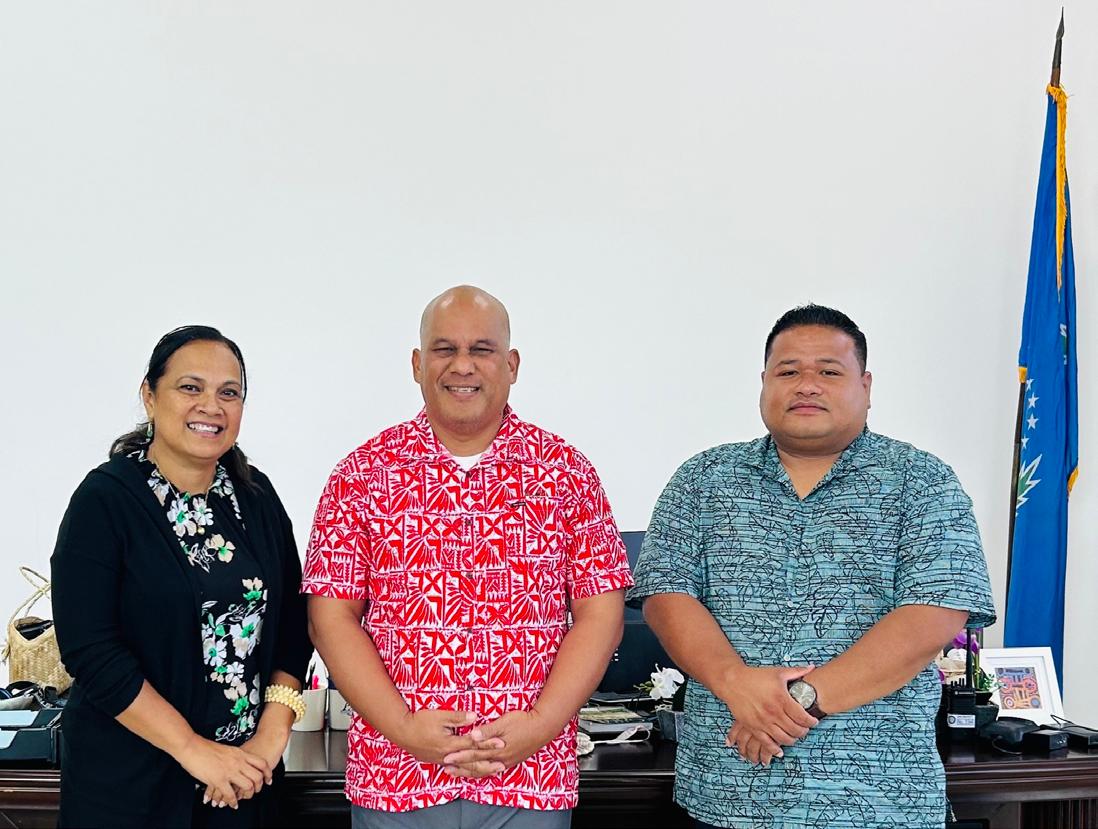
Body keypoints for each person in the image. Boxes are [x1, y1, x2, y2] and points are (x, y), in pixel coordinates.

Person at [629, 305, 996, 829]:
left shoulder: (922, 481)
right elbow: (666, 596)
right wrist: (736, 683)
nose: (807, 385)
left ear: (866, 386)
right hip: (725, 791)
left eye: (829, 371)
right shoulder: (703, 479)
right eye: (788, 371)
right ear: (763, 383)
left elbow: (934, 615)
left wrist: (793, 703)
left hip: (879, 796)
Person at [304, 285, 633, 829]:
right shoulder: (361, 475)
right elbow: (330, 618)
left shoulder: (566, 473)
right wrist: (404, 727)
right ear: (417, 364)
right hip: (395, 776)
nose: (462, 366)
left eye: (481, 349)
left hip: (529, 778)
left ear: (512, 364)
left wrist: (541, 723)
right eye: (444, 349)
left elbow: (601, 615)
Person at [51, 325, 312, 828]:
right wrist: (194, 750)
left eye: (229, 393)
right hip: (128, 791)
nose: (211, 406)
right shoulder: (104, 501)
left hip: (244, 784)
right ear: (149, 396)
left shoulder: (256, 498)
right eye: (191, 387)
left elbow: (293, 626)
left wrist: (270, 737)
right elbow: (91, 651)